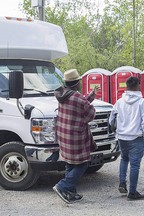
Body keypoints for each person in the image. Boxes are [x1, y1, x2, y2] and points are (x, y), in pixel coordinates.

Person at [53, 69, 99, 204]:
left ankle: (70, 193)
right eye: (79, 81)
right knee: (82, 164)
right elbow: (91, 114)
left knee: (70, 164)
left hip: (64, 135)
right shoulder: (76, 97)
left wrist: (92, 94)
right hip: (75, 137)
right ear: (76, 83)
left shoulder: (63, 94)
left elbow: (80, 102)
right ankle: (63, 186)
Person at [109, 76, 144, 201]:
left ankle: (122, 183)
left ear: (126, 86)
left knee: (124, 159)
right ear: (138, 85)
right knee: (135, 165)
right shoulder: (142, 103)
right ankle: (132, 192)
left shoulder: (119, 102)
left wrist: (117, 131)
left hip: (122, 137)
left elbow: (111, 120)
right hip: (136, 137)